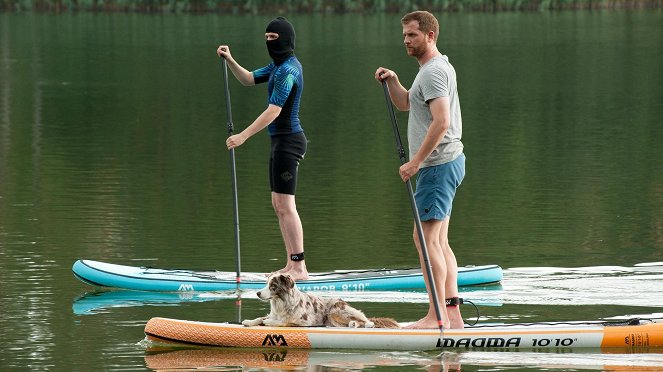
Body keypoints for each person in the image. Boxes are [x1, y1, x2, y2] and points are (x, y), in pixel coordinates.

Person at [375, 10, 465, 329]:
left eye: (412, 35)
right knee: (438, 241)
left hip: (437, 166)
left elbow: (442, 122)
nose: (406, 41)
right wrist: (395, 82)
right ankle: (451, 315)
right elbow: (407, 104)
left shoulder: (433, 72)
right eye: (404, 35)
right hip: (446, 163)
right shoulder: (430, 69)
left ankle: (435, 315)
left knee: (425, 240)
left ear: (430, 35)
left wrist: (415, 162)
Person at [217, 17, 309, 281]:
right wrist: (230, 59)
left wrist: (243, 136)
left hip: (289, 141)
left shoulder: (289, 70)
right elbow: (247, 79)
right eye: (266, 38)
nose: (269, 42)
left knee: (286, 205)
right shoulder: (277, 66)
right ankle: (290, 265)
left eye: (273, 38)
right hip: (279, 142)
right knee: (278, 204)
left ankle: (299, 267)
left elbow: (273, 110)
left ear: (286, 39)